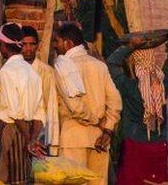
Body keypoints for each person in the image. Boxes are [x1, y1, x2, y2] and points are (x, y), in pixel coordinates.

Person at [0, 23, 47, 185]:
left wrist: (29, 140)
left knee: (9, 180)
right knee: (23, 179)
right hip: (28, 129)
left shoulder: (7, 72)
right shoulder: (32, 72)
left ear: (4, 45)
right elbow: (39, 112)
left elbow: (14, 112)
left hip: (13, 131)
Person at [51, 23, 121, 184]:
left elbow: (75, 107)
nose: (55, 45)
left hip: (73, 139)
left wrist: (98, 122)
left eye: (58, 41)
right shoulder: (99, 65)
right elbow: (115, 101)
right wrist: (107, 130)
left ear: (68, 43)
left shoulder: (62, 66)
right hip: (100, 140)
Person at [107, 33, 168, 185]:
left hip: (134, 147)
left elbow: (111, 64)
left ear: (136, 65)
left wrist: (130, 46)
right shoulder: (163, 86)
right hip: (159, 148)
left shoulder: (130, 87)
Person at [19, 26, 60, 155]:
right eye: (24, 44)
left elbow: (49, 105)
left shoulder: (46, 72)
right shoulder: (13, 70)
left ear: (38, 46)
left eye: (32, 44)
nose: (28, 48)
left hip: (39, 132)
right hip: (16, 129)